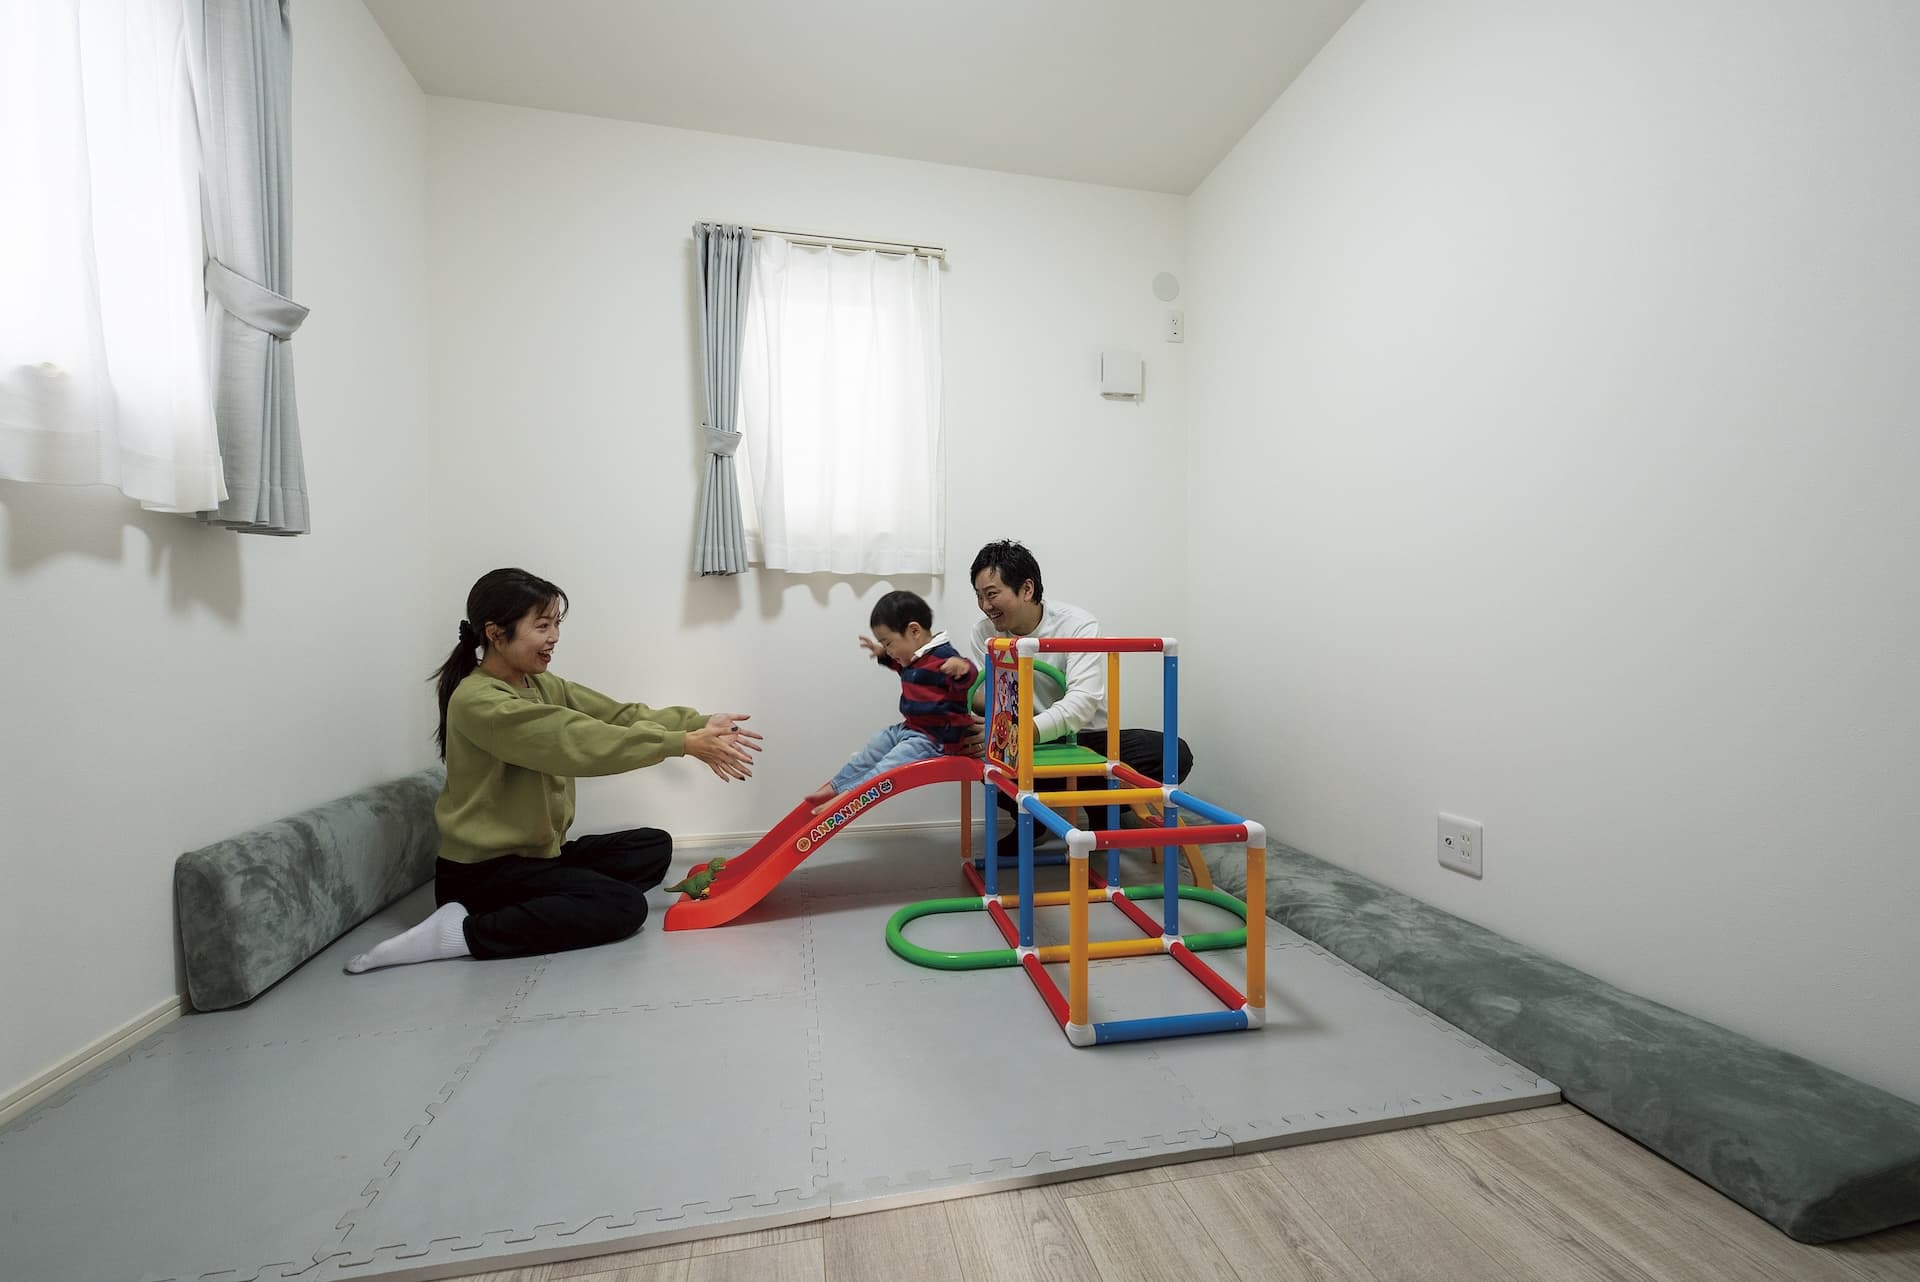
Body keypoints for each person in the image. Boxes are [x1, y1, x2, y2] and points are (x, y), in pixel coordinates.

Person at [345, 567, 761, 974]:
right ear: (496, 633)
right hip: (483, 874)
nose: (555, 637)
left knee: (652, 847)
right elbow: (574, 740)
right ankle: (462, 931)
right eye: (542, 625)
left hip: (541, 857)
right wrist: (680, 744)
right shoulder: (479, 701)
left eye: (556, 624)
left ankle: (556, 899)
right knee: (625, 907)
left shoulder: (541, 683)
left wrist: (698, 724)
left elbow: (617, 715)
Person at [965, 539, 1193, 851]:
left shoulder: (1077, 624)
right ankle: (1031, 820)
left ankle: (1103, 809)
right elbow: (989, 696)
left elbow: (1083, 701)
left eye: (991, 594)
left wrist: (1027, 731)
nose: (985, 605)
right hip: (1028, 744)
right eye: (979, 596)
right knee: (980, 751)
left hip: (1086, 737)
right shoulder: (984, 633)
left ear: (1027, 589)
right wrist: (974, 714)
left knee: (1173, 752)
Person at [804, 590, 977, 811]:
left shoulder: (943, 657)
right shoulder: (913, 658)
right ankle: (836, 786)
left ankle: (845, 800)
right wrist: (881, 652)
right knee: (874, 747)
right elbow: (898, 663)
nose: (889, 651)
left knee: (886, 768)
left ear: (914, 631)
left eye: (888, 643)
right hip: (910, 729)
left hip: (936, 739)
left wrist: (963, 669)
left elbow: (967, 676)